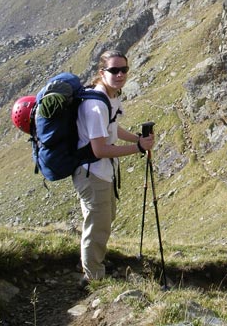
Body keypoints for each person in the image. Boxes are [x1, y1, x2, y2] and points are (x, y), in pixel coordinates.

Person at [73, 49, 154, 288]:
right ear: (102, 72)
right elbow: (99, 149)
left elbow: (113, 128)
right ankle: (93, 278)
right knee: (97, 224)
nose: (120, 75)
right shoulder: (96, 107)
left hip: (101, 172)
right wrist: (138, 148)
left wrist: (136, 139)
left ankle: (94, 263)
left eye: (124, 70)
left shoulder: (111, 97)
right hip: (92, 172)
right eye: (114, 70)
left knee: (105, 219)